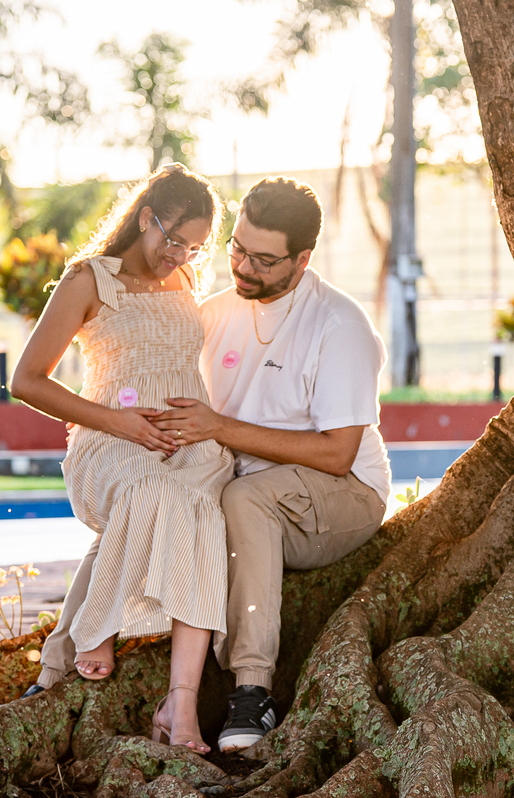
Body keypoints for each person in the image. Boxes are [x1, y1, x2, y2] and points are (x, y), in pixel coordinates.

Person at [148, 176, 391, 752]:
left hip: (345, 492)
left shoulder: (339, 325)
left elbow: (338, 453)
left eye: (263, 259)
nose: (243, 267)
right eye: (237, 249)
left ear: (302, 259)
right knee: (164, 491)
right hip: (249, 487)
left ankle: (252, 693)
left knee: (243, 498)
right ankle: (71, 658)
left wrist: (220, 428)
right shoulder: (214, 313)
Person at [11, 164, 232, 754]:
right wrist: (119, 422)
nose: (179, 255)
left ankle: (181, 706)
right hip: (111, 439)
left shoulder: (185, 278)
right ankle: (98, 626)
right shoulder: (89, 279)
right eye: (174, 239)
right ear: (145, 218)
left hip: (191, 442)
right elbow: (26, 380)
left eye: (194, 247)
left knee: (202, 509)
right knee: (148, 492)